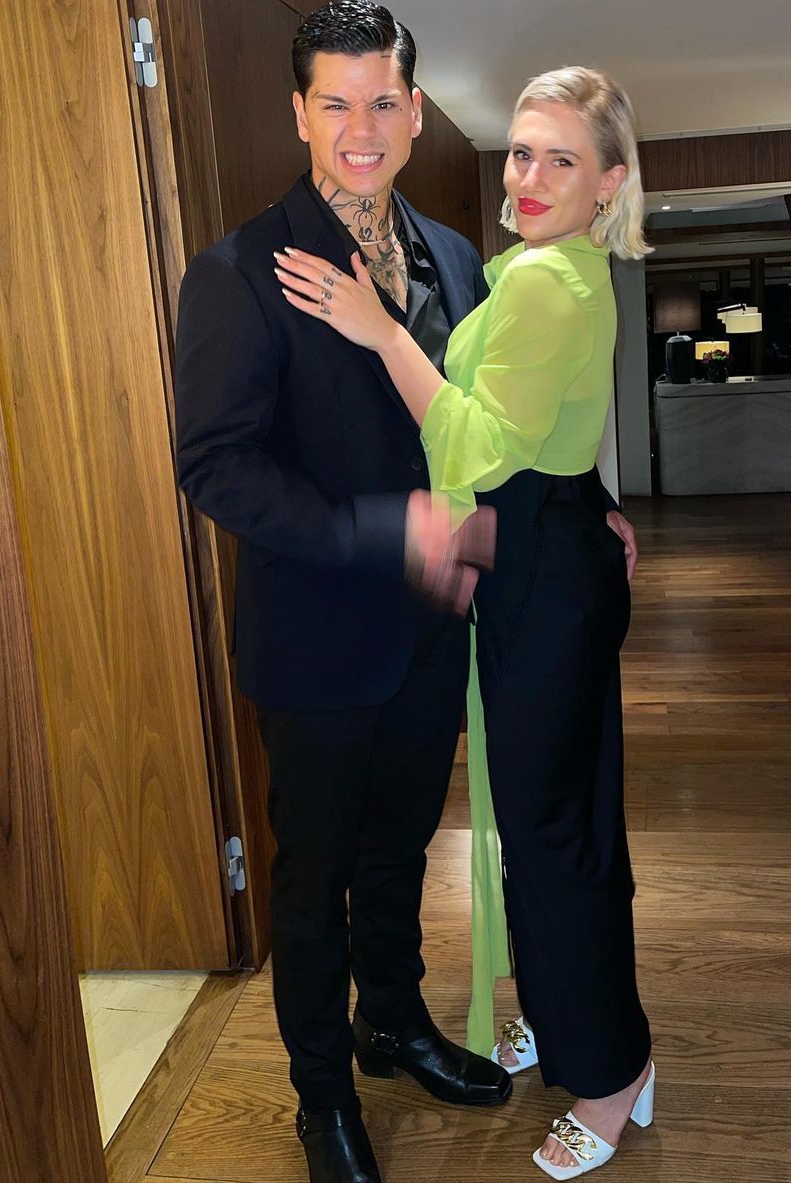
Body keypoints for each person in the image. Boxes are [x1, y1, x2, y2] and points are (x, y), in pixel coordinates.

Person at [275, 65, 653, 1180]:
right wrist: (589, 498)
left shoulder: (541, 283)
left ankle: (612, 1073)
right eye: (522, 151)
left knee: (550, 832)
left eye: (561, 159)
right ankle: (581, 1021)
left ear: (609, 182)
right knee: (554, 818)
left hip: (540, 572)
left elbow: (482, 445)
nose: (528, 176)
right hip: (544, 549)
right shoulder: (553, 267)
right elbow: (554, 420)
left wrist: (378, 331)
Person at [173, 5, 523, 1181]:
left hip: (431, 633)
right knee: (312, 880)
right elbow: (214, 466)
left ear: (416, 111)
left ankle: (395, 1025)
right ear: (299, 113)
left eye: (382, 101)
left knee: (400, 851)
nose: (360, 128)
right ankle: (321, 1096)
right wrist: (384, 531)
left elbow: (478, 424)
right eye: (335, 102)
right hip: (316, 645)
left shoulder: (458, 261)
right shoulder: (236, 272)